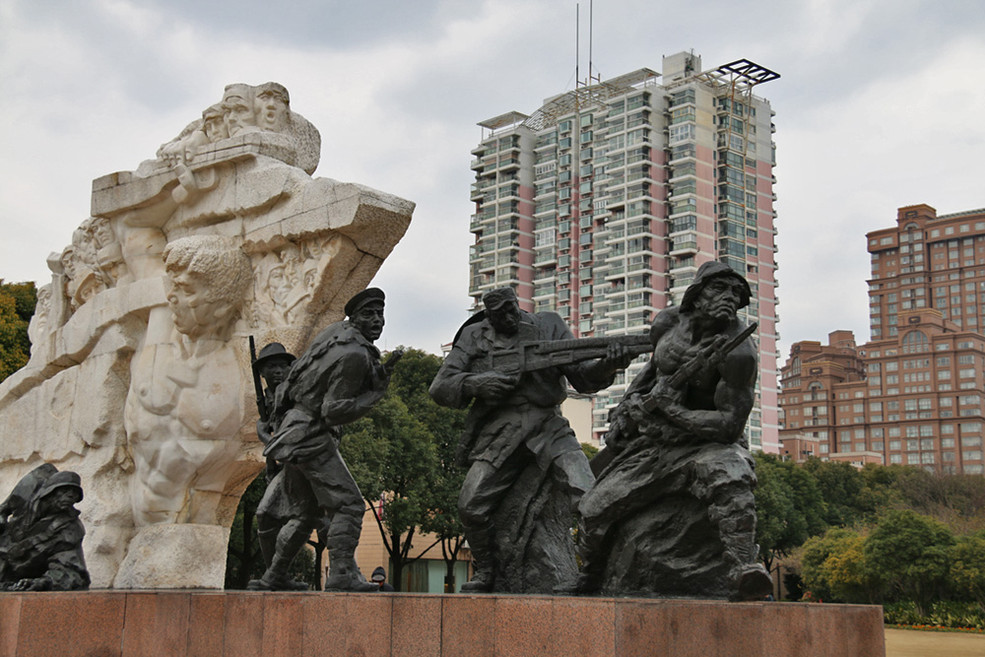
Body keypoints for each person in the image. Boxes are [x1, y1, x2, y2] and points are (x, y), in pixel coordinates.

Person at [577, 261, 772, 601]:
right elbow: (654, 372)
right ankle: (589, 576)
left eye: (737, 293)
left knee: (731, 474)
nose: (730, 298)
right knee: (593, 510)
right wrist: (627, 406)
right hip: (655, 443)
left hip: (708, 442)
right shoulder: (667, 323)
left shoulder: (739, 353)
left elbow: (729, 425)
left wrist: (673, 411)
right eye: (720, 288)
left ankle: (744, 567)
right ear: (697, 294)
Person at [429, 287, 631, 593]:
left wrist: (611, 363)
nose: (509, 318)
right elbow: (440, 386)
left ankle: (596, 571)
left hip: (549, 425)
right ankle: (487, 572)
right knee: (470, 505)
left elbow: (583, 377)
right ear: (488, 317)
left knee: (587, 492)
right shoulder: (473, 337)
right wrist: (477, 384)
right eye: (500, 315)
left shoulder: (547, 325)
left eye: (512, 309)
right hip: (501, 431)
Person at [248, 288, 401, 591]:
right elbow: (334, 411)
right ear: (354, 318)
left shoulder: (334, 333)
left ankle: (274, 575)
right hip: (313, 436)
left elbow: (293, 383)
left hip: (295, 432)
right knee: (349, 505)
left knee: (307, 512)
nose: (377, 321)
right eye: (369, 314)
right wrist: (376, 391)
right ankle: (342, 574)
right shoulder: (355, 354)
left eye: (380, 314)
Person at [0, 469, 90, 591]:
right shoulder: (30, 486)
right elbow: (4, 509)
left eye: (75, 494)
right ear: (50, 492)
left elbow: (71, 572)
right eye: (64, 491)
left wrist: (43, 582)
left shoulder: (70, 530)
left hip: (18, 575)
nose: (70, 496)